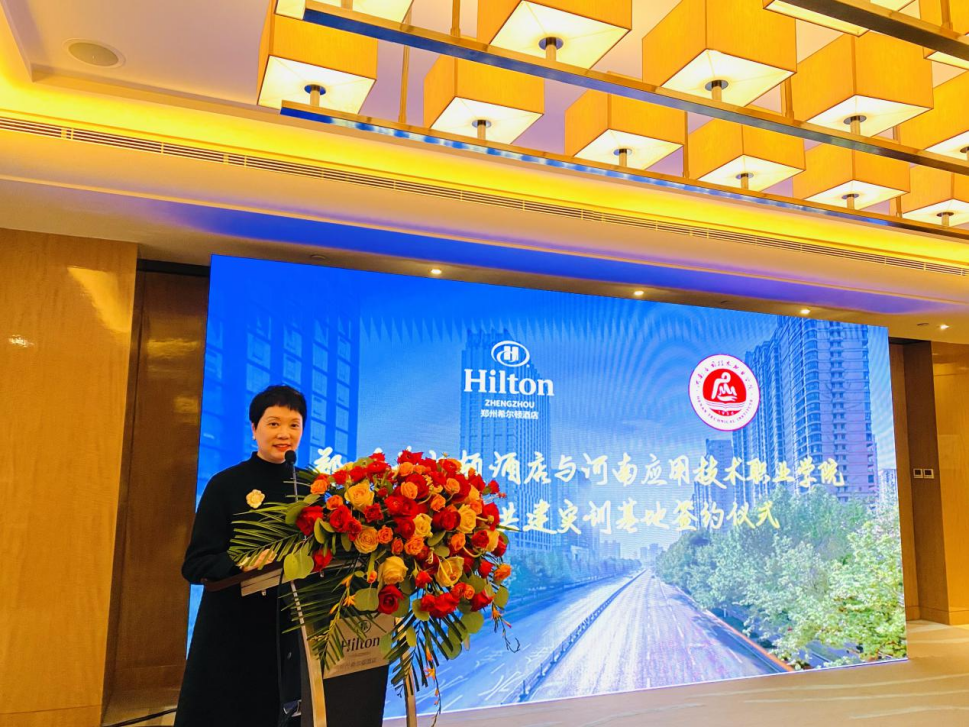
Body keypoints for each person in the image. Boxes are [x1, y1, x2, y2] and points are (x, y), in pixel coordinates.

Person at [175, 385, 307, 727]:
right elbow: (195, 564)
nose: (284, 434)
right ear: (254, 428)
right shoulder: (226, 484)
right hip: (234, 633)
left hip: (292, 630)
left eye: (294, 425)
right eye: (274, 423)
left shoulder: (311, 488)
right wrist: (240, 562)